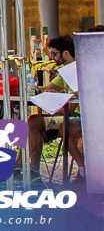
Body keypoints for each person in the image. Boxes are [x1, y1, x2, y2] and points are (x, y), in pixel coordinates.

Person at [27, 35, 83, 182]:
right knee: (33, 121)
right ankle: (32, 169)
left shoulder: (78, 70)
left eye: (54, 53)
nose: (51, 58)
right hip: (66, 113)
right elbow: (47, 88)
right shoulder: (65, 71)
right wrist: (32, 88)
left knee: (63, 126)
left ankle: (83, 171)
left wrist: (57, 95)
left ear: (66, 53)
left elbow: (72, 106)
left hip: (74, 115)